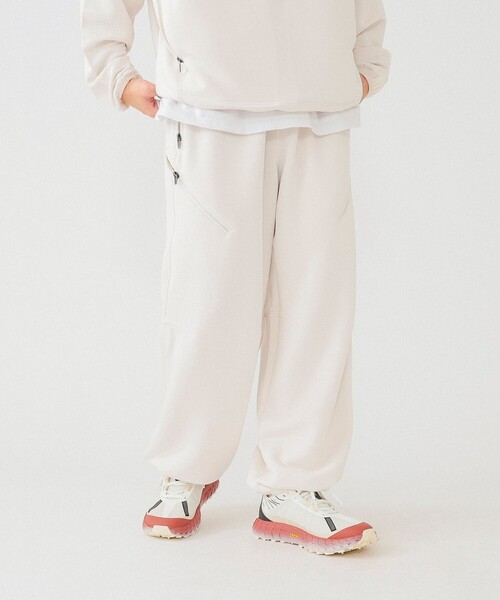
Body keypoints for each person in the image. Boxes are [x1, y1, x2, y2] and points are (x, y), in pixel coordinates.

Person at [80, 0, 391, 555]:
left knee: (316, 305)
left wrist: (365, 65)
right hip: (209, 107)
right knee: (206, 304)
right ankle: (186, 469)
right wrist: (114, 72)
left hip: (321, 108)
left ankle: (295, 484)